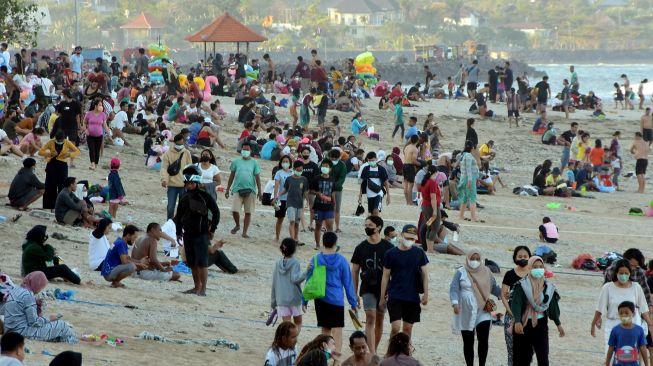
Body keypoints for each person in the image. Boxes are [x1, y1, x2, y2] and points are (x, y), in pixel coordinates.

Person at [304, 232, 358, 354]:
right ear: (335, 243)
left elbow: (309, 281)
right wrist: (353, 303)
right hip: (336, 300)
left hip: (321, 299)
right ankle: (337, 360)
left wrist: (304, 300)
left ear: (323, 243)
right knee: (337, 331)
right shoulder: (342, 260)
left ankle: (325, 357)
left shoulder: (316, 259)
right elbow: (348, 284)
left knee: (325, 331)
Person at [351, 216, 394, 354]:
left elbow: (394, 270)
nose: (367, 227)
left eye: (370, 225)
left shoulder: (389, 248)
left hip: (384, 289)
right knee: (370, 317)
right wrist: (354, 292)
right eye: (366, 225)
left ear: (379, 227)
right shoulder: (360, 248)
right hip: (367, 287)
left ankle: (372, 351)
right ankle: (373, 353)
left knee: (380, 320)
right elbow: (355, 271)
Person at [450, 249, 501, 366]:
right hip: (465, 310)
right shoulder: (460, 272)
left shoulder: (487, 271)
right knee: (468, 341)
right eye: (472, 259)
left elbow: (494, 287)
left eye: (477, 259)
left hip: (483, 309)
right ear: (467, 259)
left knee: (483, 340)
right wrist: (455, 303)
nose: (475, 261)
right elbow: (454, 288)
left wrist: (502, 294)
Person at [175, 165, 220, 296]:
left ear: (196, 182)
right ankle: (196, 287)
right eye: (187, 183)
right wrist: (178, 232)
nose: (188, 185)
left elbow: (216, 212)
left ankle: (203, 289)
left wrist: (213, 229)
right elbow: (179, 215)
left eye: (191, 183)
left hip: (201, 234)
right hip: (188, 234)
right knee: (192, 262)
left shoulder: (204, 196)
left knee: (202, 263)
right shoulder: (183, 196)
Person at [512, 256, 565, 365]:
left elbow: (552, 306)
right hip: (524, 325)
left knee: (543, 358)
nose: (538, 269)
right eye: (535, 267)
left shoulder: (548, 287)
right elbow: (516, 304)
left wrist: (558, 324)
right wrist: (517, 321)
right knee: (523, 359)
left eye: (541, 267)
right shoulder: (522, 285)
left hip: (541, 326)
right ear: (529, 268)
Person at [379, 225, 429, 339]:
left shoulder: (419, 253)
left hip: (412, 296)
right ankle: (392, 352)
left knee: (407, 329)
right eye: (408, 238)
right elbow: (385, 276)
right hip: (395, 294)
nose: (410, 241)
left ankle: (405, 354)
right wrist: (382, 297)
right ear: (401, 235)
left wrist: (426, 294)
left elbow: (425, 274)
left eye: (412, 239)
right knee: (395, 328)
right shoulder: (391, 253)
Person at [592, 259, 653, 352]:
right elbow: (600, 308)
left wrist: (650, 325)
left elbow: (644, 309)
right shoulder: (608, 287)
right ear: (616, 273)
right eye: (621, 273)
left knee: (631, 356)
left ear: (630, 273)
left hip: (632, 326)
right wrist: (593, 324)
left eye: (626, 273)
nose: (623, 275)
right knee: (611, 354)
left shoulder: (636, 287)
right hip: (613, 325)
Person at [3, 271, 77, 343]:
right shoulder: (28, 295)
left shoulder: (16, 289)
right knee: (62, 325)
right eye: (41, 287)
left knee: (56, 331)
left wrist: (35, 306)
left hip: (10, 329)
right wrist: (49, 319)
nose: (39, 290)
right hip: (21, 332)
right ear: (36, 284)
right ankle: (72, 341)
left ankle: (68, 339)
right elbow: (34, 322)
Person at [501, 246, 532, 366]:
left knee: (528, 350)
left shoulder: (533, 273)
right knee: (512, 349)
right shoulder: (509, 274)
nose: (523, 258)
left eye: (525, 256)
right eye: (520, 256)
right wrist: (511, 312)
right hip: (511, 317)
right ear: (515, 258)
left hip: (529, 316)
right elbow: (503, 295)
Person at [225, 143, 262, 238]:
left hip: (251, 190)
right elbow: (231, 175)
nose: (245, 151)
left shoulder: (254, 163)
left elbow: (257, 177)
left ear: (250, 151)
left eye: (247, 149)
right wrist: (227, 189)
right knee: (234, 210)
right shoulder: (236, 162)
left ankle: (244, 232)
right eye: (244, 149)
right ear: (241, 150)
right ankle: (237, 225)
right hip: (237, 189)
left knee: (248, 212)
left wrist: (260, 191)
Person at [271, 239, 307, 334]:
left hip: (281, 299)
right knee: (298, 322)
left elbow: (274, 283)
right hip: (294, 299)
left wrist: (273, 302)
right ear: (294, 249)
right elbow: (295, 279)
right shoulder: (295, 262)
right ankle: (293, 340)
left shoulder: (278, 263)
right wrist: (306, 272)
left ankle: (288, 341)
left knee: (286, 325)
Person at [39, 130, 80, 210]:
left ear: (63, 138)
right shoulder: (51, 142)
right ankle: (48, 206)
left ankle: (60, 207)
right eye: (58, 140)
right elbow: (41, 152)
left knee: (62, 185)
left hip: (62, 166)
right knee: (50, 186)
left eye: (61, 140)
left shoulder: (67, 142)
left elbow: (77, 151)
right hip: (51, 164)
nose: (59, 141)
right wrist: (49, 154)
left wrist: (69, 154)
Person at [605, 301, 650, 366]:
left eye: (626, 313)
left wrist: (646, 364)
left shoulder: (639, 330)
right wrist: (607, 364)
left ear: (633, 313)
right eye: (621, 313)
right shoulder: (615, 330)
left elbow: (643, 348)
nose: (623, 315)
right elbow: (611, 348)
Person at [160, 134, 193, 220]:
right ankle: (169, 223)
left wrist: (189, 183)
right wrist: (164, 179)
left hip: (183, 185)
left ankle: (180, 225)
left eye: (182, 144)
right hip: (172, 185)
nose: (180, 146)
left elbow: (189, 168)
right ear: (175, 143)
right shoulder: (168, 154)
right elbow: (164, 168)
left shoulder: (186, 153)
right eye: (178, 144)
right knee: (170, 207)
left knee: (183, 207)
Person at [276, 160, 309, 243]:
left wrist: (308, 201)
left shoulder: (304, 179)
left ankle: (296, 238)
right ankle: (292, 239)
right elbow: (286, 189)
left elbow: (305, 192)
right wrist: (279, 195)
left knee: (297, 223)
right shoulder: (289, 179)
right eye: (297, 170)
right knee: (292, 221)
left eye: (301, 170)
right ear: (294, 169)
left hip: (299, 203)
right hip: (290, 203)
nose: (299, 172)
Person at [310, 160, 336, 249]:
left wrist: (334, 203)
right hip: (318, 206)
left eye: (327, 166)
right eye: (323, 166)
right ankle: (317, 244)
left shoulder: (332, 179)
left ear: (330, 168)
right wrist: (318, 193)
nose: (325, 168)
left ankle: (329, 244)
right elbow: (311, 191)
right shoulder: (316, 178)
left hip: (329, 206)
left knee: (330, 226)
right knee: (318, 225)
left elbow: (333, 192)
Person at [358, 152, 390, 217]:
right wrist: (360, 195)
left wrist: (388, 195)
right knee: (371, 213)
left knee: (376, 210)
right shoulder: (366, 169)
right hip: (369, 194)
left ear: (376, 159)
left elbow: (386, 182)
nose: (371, 162)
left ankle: (376, 224)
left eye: (372, 160)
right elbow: (362, 182)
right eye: (369, 161)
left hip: (379, 193)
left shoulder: (381, 169)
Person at [83, 99, 110, 170]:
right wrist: (85, 130)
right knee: (91, 149)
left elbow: (105, 125)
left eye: (102, 105)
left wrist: (109, 134)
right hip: (90, 135)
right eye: (100, 105)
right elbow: (84, 122)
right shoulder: (89, 113)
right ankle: (92, 164)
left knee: (97, 150)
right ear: (95, 106)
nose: (101, 107)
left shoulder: (103, 115)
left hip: (99, 135)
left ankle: (95, 164)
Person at [458, 140, 480, 222]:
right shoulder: (468, 156)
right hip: (469, 179)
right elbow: (468, 168)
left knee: (465, 197)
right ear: (472, 148)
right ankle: (473, 217)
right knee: (472, 197)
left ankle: (461, 215)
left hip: (464, 178)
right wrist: (470, 180)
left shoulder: (463, 155)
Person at [329, 149, 347, 233]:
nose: (334, 160)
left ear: (339, 157)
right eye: (332, 158)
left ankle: (337, 227)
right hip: (326, 189)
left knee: (337, 208)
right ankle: (326, 226)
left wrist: (334, 186)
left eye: (336, 159)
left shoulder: (342, 165)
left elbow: (342, 178)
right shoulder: (326, 163)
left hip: (337, 190)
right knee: (327, 208)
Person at [403, 135, 419, 205]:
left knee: (406, 185)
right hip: (410, 166)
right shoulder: (415, 149)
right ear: (417, 141)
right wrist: (420, 164)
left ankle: (407, 202)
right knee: (410, 185)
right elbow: (413, 161)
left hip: (405, 165)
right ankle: (410, 202)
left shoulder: (406, 147)